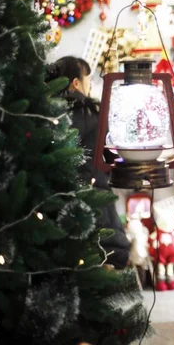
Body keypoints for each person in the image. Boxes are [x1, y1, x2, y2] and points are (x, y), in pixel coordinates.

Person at [46, 56, 130, 269]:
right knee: (101, 267)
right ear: (76, 83)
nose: (90, 85)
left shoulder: (44, 117)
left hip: (55, 208)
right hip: (96, 205)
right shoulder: (95, 113)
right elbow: (113, 158)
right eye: (88, 80)